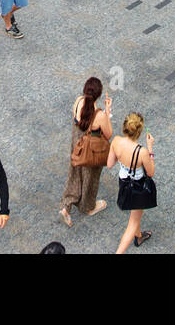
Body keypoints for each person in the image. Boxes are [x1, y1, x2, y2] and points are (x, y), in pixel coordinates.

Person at [60, 77, 112, 227]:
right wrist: (107, 112)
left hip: (76, 146)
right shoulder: (99, 114)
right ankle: (88, 206)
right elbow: (108, 134)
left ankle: (66, 207)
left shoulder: (78, 101)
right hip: (90, 150)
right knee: (90, 177)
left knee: (75, 174)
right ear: (99, 95)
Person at [108, 113, 156, 252]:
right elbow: (151, 172)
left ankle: (139, 236)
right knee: (133, 221)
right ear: (139, 132)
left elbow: (110, 164)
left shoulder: (116, 141)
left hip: (124, 182)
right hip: (138, 186)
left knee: (135, 213)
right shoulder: (142, 152)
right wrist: (150, 149)